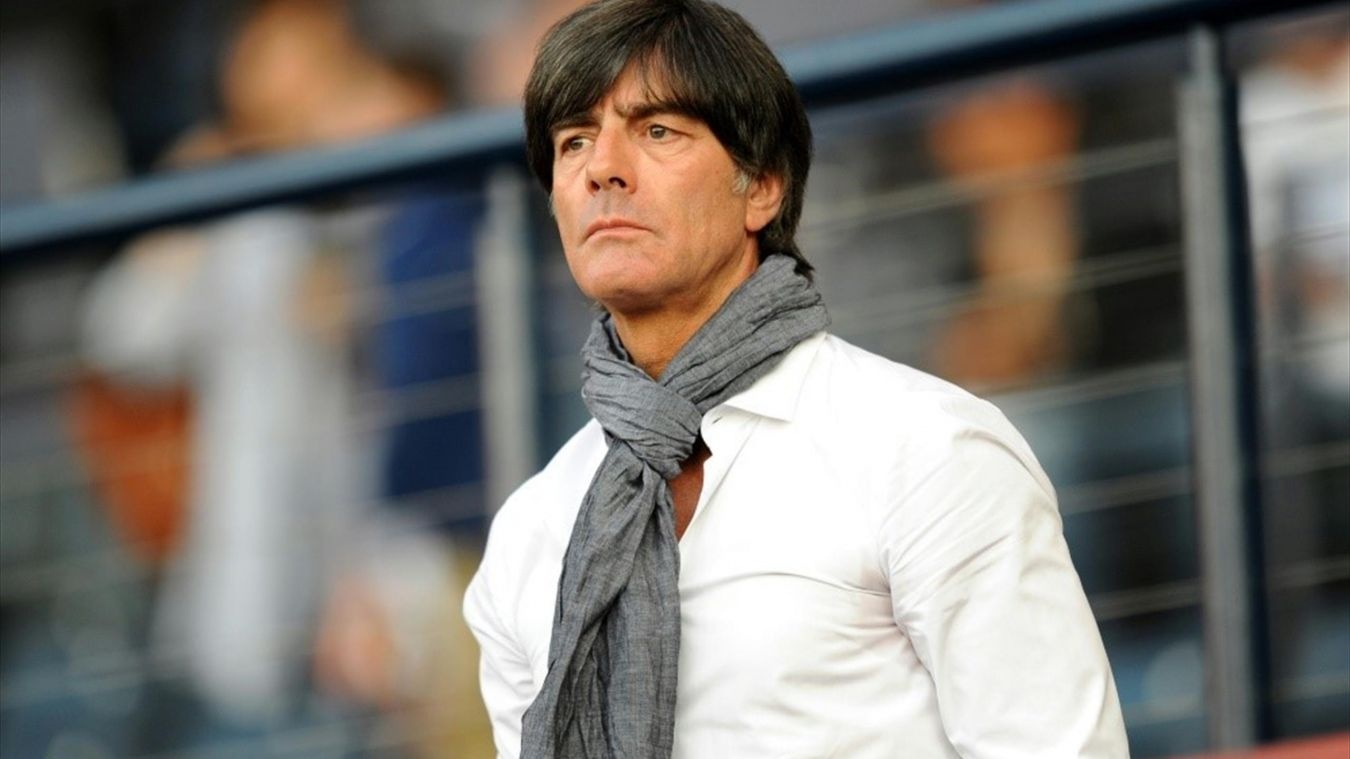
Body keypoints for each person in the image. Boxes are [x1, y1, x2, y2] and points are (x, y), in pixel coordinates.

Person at [462, 1, 1128, 757]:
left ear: (764, 186)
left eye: (658, 131)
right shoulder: (531, 534)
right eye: (574, 140)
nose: (602, 167)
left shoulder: (927, 451)